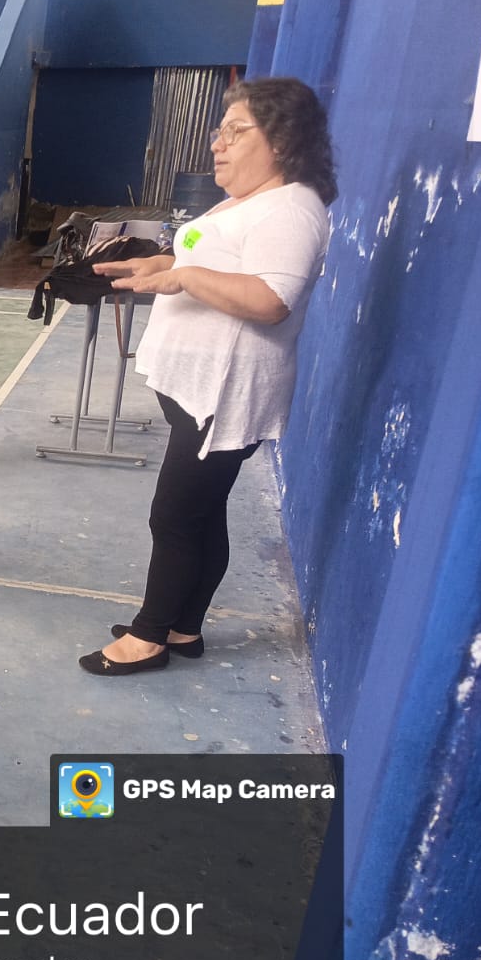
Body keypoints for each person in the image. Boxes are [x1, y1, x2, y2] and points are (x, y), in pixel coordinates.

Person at [79, 77, 335, 675]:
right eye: (220, 131)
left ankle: (149, 637)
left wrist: (184, 278)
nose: (218, 144)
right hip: (197, 391)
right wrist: (162, 263)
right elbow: (211, 260)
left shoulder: (291, 209)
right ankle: (183, 626)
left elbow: (271, 299)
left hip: (224, 395)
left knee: (173, 517)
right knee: (202, 511)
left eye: (236, 132)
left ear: (282, 140)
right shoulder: (246, 200)